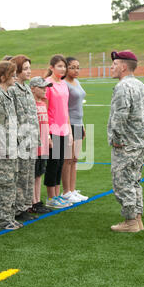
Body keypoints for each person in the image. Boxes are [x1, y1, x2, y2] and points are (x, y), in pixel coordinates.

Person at [107, 51, 144, 233]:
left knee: (123, 182)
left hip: (125, 143)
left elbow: (120, 116)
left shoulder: (122, 87)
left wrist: (117, 138)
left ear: (124, 67)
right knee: (135, 181)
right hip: (139, 141)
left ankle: (130, 221)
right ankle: (137, 218)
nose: (111, 67)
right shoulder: (141, 85)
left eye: (115, 64)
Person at [0, 60, 21, 231]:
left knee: (11, 183)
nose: (15, 77)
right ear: (2, 77)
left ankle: (8, 216)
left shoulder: (8, 95)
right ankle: (2, 219)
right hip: (2, 150)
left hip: (11, 147)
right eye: (12, 74)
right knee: (3, 184)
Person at [8, 55, 38, 222]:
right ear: (17, 71)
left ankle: (26, 204)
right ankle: (18, 208)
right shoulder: (13, 89)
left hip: (30, 138)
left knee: (28, 174)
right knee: (19, 175)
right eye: (25, 68)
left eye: (29, 68)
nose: (29, 71)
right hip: (20, 139)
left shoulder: (26, 88)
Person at [44, 54, 73, 209]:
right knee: (53, 164)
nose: (63, 69)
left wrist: (69, 129)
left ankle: (57, 194)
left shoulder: (63, 84)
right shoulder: (47, 85)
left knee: (60, 162)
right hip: (52, 129)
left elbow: (65, 109)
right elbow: (45, 108)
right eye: (59, 66)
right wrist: (47, 133)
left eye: (64, 66)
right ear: (52, 68)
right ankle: (51, 197)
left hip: (63, 129)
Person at [61, 57, 88, 203]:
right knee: (68, 159)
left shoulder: (76, 82)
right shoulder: (64, 84)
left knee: (75, 159)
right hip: (68, 124)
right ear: (66, 68)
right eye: (72, 67)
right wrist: (70, 127)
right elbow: (64, 108)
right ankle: (66, 191)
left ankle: (72, 189)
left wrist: (82, 125)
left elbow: (79, 107)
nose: (76, 70)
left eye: (78, 67)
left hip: (78, 123)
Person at [29, 76, 53, 214]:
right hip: (34, 146)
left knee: (39, 174)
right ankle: (32, 202)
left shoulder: (43, 104)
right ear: (33, 89)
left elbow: (46, 123)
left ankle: (37, 200)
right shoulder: (30, 105)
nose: (45, 90)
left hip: (43, 145)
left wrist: (48, 137)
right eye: (42, 88)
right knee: (33, 175)